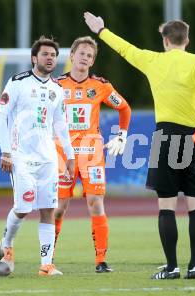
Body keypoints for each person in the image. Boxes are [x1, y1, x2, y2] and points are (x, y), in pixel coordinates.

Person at [84, 13, 195, 279]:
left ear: (166, 40)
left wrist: (102, 31)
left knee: (166, 206)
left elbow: (126, 50)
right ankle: (193, 266)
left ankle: (172, 267)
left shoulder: (154, 60)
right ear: (187, 40)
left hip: (166, 135)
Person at [0, 36, 75, 276]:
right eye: (45, 54)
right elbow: (0, 116)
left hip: (48, 159)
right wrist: (6, 151)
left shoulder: (57, 89)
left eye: (53, 55)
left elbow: (61, 124)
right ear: (34, 58)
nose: (50, 58)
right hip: (20, 157)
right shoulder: (18, 82)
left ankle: (46, 264)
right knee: (22, 208)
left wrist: (69, 156)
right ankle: (7, 245)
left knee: (48, 209)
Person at [54, 36, 131, 273]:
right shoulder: (55, 85)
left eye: (89, 55)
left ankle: (101, 260)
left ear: (92, 60)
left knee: (95, 202)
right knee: (58, 207)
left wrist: (121, 135)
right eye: (81, 53)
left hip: (91, 151)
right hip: (62, 152)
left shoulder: (100, 86)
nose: (85, 58)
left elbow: (124, 107)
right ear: (72, 56)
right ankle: (48, 259)